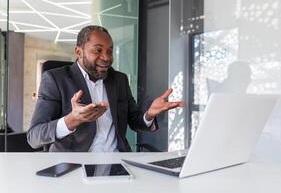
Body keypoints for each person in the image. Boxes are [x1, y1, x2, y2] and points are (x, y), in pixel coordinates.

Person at [27, 25, 184, 152]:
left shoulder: (119, 80)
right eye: (98, 50)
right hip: (74, 165)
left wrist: (149, 114)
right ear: (79, 51)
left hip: (116, 163)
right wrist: (72, 120)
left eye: (110, 51)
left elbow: (134, 121)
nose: (107, 57)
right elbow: (34, 136)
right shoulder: (55, 79)